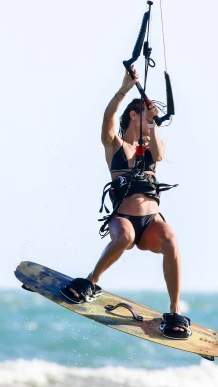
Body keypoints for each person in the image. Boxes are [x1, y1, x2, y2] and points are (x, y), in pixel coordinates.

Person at [60, 66, 190, 339]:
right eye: (147, 113)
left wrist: (153, 123)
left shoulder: (154, 146)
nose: (154, 117)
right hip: (124, 218)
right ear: (133, 114)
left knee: (171, 239)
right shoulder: (114, 145)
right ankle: (91, 282)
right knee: (124, 237)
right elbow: (108, 118)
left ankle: (175, 311)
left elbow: (158, 154)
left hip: (151, 222)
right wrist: (123, 90)